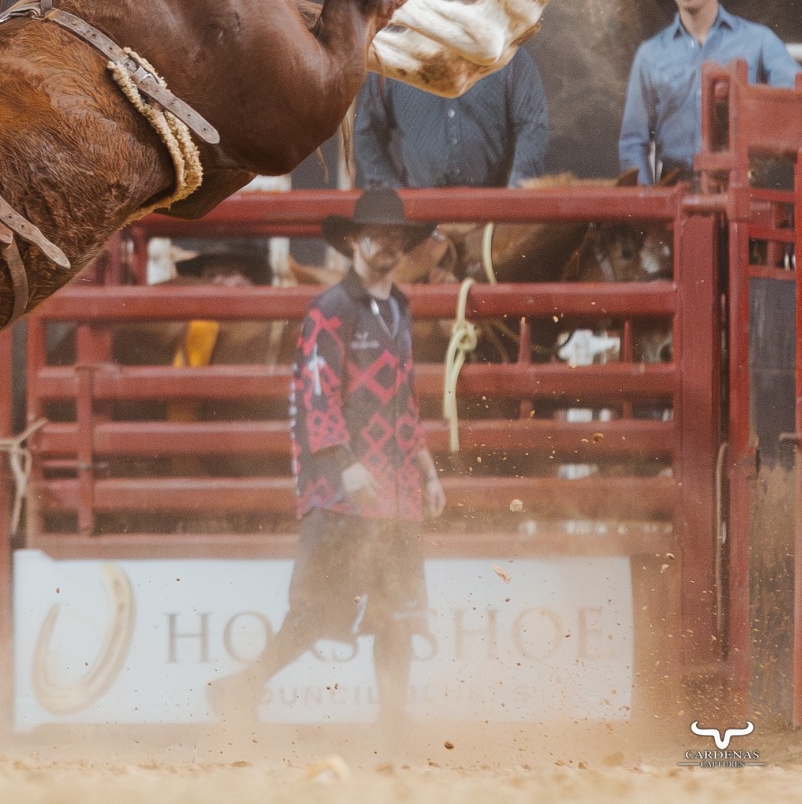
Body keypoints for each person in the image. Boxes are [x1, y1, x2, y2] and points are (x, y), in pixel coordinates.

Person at [209, 189, 445, 723]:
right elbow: (316, 393)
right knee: (314, 613)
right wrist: (345, 462)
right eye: (376, 235)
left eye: (395, 237)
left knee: (398, 615)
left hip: (396, 486)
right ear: (354, 242)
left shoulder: (399, 309)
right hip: (342, 491)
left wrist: (426, 469)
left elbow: (405, 397)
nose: (386, 245)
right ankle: (243, 687)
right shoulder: (331, 310)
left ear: (404, 245)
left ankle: (393, 723)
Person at [619, 0, 800, 181]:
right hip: (674, 192)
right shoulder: (650, 55)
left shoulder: (758, 41)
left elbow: (795, 100)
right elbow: (633, 142)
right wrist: (648, 205)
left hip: (742, 188)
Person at [355, 46, 549, 189]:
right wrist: (390, 192)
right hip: (419, 213)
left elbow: (532, 124)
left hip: (491, 211)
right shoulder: (395, 60)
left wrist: (516, 191)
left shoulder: (508, 57)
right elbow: (367, 130)